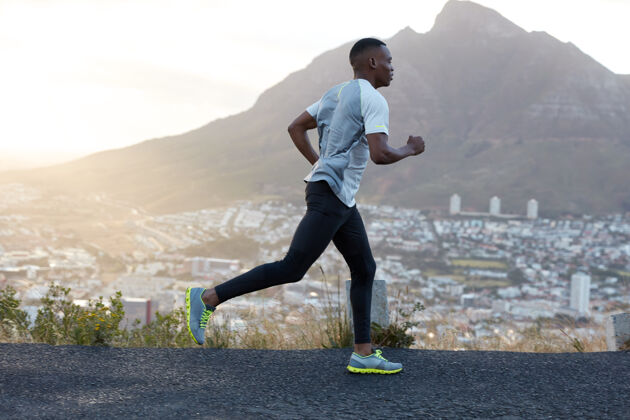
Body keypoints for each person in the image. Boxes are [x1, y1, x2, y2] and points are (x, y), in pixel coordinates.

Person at [186, 37, 425, 374]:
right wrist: (411, 148)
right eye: (388, 60)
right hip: (330, 195)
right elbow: (381, 153)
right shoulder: (373, 99)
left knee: (364, 268)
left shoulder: (335, 93)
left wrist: (320, 163)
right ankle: (208, 297)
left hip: (337, 196)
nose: (392, 66)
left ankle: (363, 352)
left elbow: (295, 126)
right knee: (293, 267)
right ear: (372, 63)